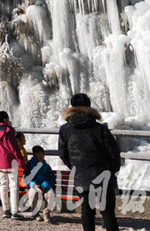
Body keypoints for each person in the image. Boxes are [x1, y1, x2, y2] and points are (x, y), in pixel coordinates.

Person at [58, 93, 121, 231]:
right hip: (103, 174)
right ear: (89, 106)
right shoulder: (100, 128)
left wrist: (76, 167)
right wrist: (112, 170)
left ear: (72, 107)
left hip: (81, 176)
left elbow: (63, 153)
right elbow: (114, 152)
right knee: (107, 213)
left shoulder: (65, 129)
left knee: (87, 211)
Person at [0, 110, 27, 220]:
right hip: (11, 162)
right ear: (5, 120)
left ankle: (6, 210)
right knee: (13, 186)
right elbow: (14, 149)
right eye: (8, 119)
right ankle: (15, 212)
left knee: (3, 185)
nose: (9, 121)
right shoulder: (8, 132)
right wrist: (21, 162)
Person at [26, 145, 56, 223]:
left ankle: (46, 213)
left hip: (45, 186)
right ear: (34, 155)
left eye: (42, 155)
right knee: (33, 192)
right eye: (39, 154)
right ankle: (35, 212)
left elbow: (50, 178)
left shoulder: (46, 166)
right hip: (34, 185)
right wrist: (33, 185)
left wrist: (44, 186)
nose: (41, 156)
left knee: (51, 194)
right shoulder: (29, 165)